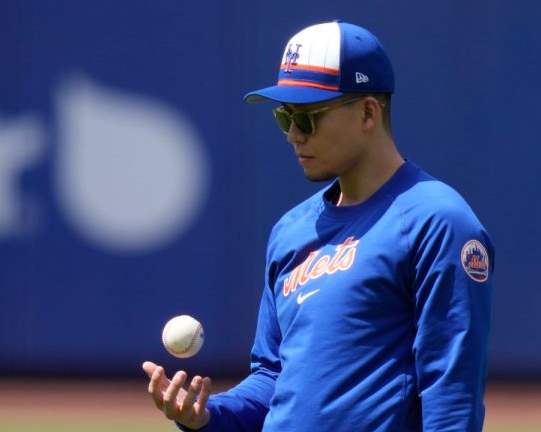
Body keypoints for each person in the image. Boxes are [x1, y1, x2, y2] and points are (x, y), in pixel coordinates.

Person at [143, 20, 494, 432]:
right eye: (284, 117)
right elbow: (273, 379)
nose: (293, 135)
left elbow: (451, 393)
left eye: (308, 118)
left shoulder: (436, 221)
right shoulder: (291, 231)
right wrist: (207, 415)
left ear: (367, 112)